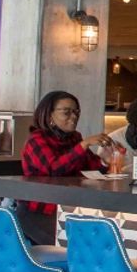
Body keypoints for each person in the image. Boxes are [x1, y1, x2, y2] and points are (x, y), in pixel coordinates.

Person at [18, 89, 115, 244]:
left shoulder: (74, 137)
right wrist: (83, 145)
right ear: (49, 115)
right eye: (66, 112)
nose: (74, 117)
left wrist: (105, 161)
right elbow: (54, 170)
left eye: (76, 112)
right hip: (40, 211)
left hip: (69, 207)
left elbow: (90, 166)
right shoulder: (36, 139)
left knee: (98, 237)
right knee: (77, 244)